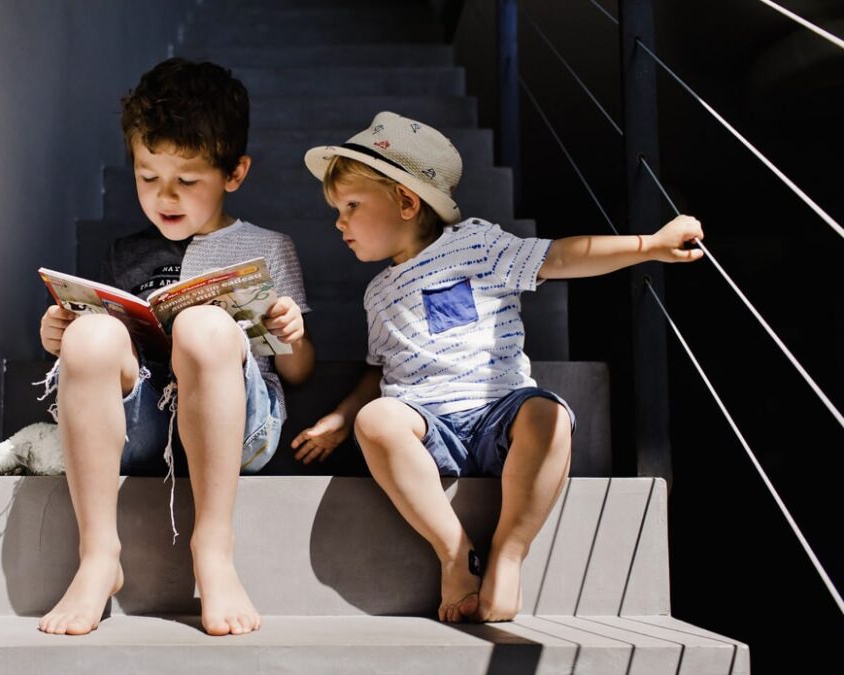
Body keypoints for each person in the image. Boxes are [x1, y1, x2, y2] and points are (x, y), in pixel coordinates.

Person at [291, 111, 702, 622]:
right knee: (378, 419)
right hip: (426, 422)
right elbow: (380, 370)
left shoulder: (477, 244)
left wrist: (649, 246)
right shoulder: (378, 292)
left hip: (498, 413)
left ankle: (509, 551)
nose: (339, 221)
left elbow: (561, 257)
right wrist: (343, 417)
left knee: (549, 416)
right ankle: (456, 553)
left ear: (405, 200)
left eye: (351, 205)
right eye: (336, 209)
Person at [37, 58, 314, 637]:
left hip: (236, 430)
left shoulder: (269, 247)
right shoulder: (124, 254)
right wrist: (60, 334)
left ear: (234, 173)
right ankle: (98, 556)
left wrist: (289, 334)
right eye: (146, 177)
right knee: (91, 333)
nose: (164, 196)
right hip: (142, 431)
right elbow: (101, 354)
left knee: (203, 327)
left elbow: (301, 373)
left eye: (187, 181)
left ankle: (213, 548)